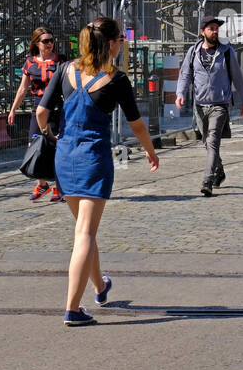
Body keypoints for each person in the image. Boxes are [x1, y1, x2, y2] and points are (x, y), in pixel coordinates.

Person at [35, 17, 159, 327]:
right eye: (121, 40)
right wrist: (150, 150)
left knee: (84, 229)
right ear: (113, 43)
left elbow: (41, 111)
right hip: (93, 159)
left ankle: (100, 288)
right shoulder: (116, 79)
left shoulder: (65, 70)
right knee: (85, 233)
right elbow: (137, 124)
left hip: (65, 158)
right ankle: (72, 309)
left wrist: (50, 136)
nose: (123, 45)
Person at [176, 15, 243, 196]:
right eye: (211, 28)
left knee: (213, 141)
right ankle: (220, 170)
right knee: (207, 143)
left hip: (220, 105)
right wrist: (180, 93)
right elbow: (185, 74)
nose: (215, 31)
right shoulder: (193, 52)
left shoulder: (226, 51)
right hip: (199, 106)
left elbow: (238, 77)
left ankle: (207, 181)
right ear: (203, 32)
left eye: (217, 28)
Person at [8, 26, 62, 203]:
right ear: (37, 43)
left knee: (56, 145)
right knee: (35, 144)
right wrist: (13, 108)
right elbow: (23, 88)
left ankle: (60, 187)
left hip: (56, 106)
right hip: (38, 106)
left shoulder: (61, 61)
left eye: (51, 40)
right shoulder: (30, 62)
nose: (50, 44)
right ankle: (43, 184)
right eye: (46, 41)